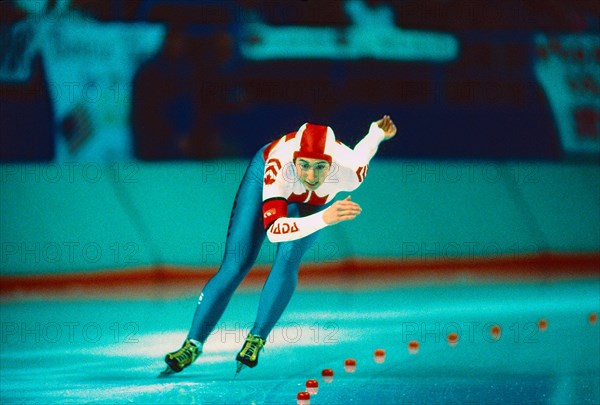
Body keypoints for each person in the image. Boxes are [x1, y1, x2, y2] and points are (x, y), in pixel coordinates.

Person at [162, 115, 397, 375]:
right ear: (294, 160)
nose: (311, 175)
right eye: (304, 165)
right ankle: (192, 343)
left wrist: (376, 132)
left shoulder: (350, 172)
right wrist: (324, 218)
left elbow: (363, 150)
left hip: (313, 203)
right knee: (236, 263)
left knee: (289, 257)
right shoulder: (279, 165)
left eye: (320, 167)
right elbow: (275, 230)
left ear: (332, 165)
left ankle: (257, 337)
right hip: (264, 175)